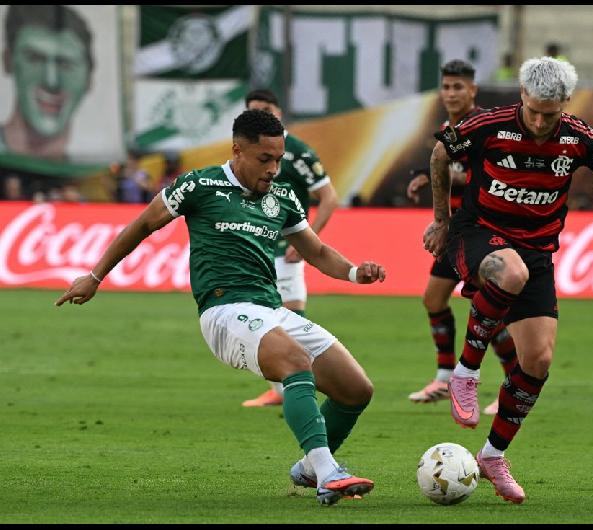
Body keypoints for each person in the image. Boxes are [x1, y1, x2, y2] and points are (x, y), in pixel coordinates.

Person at [55, 109, 386, 506]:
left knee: (356, 390)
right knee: (295, 361)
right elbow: (143, 224)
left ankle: (312, 465)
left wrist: (353, 273)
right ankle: (328, 473)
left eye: (279, 159)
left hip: (272, 309)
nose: (274, 169)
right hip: (225, 311)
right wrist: (94, 276)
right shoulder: (199, 185)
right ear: (237, 151)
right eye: (265, 160)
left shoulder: (281, 197)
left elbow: (315, 251)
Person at [423, 57, 593, 504]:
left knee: (537, 360)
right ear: (522, 96)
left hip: (537, 251)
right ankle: (464, 373)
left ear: (565, 105)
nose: (538, 121)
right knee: (508, 271)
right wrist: (441, 219)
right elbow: (441, 153)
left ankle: (493, 456)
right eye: (532, 110)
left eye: (548, 114)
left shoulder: (580, 137)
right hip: (477, 233)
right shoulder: (488, 125)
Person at [406, 60, 517, 416]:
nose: (451, 93)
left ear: (473, 90)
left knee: (489, 312)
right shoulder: (446, 128)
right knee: (433, 299)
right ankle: (442, 375)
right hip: (452, 236)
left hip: (479, 234)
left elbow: (482, 176)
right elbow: (450, 166)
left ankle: (512, 385)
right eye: (447, 87)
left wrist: (442, 178)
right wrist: (427, 173)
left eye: (458, 87)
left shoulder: (485, 128)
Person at [240, 89, 340, 408]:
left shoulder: (296, 152)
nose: (263, 116)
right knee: (264, 318)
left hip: (286, 247)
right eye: (255, 111)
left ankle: (299, 385)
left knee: (291, 317)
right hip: (256, 246)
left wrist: (309, 238)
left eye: (267, 110)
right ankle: (283, 388)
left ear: (280, 112)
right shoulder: (243, 152)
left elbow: (329, 197)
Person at [0, 5, 93, 159]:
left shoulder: (96, 168)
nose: (51, 81)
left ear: (89, 79)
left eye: (65, 64)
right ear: (8, 61)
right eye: (34, 59)